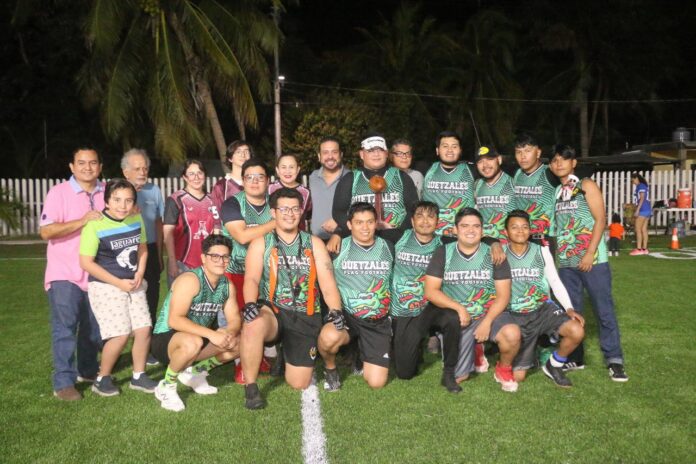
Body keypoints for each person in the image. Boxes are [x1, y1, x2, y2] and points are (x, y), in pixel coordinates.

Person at [239, 188, 349, 409]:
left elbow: (328, 283)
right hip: (274, 310)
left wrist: (336, 311)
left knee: (298, 383)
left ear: (301, 212)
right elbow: (251, 278)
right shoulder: (261, 243)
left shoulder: (314, 243)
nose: (289, 214)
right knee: (253, 324)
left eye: (295, 209)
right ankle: (251, 388)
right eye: (284, 209)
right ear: (273, 212)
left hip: (305, 315)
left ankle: (288, 353)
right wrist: (250, 304)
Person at [549, 144, 628, 382]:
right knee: (572, 312)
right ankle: (576, 357)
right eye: (554, 160)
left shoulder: (586, 185)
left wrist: (589, 252)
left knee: (603, 311)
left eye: (564, 159)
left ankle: (614, 360)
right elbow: (558, 228)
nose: (559, 163)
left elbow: (600, 219)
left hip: (592, 261)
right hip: (567, 263)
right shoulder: (557, 192)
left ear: (574, 163)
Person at [424, 208, 521, 392]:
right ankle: (474, 347)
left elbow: (503, 296)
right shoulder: (443, 252)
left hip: (488, 313)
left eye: (476, 226)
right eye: (465, 226)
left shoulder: (495, 255)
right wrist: (459, 308)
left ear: (483, 231)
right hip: (460, 318)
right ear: (455, 229)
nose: (471, 230)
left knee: (512, 334)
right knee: (460, 376)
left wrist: (487, 321)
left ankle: (503, 367)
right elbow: (431, 291)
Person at [79, 178, 158, 396]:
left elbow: (143, 248)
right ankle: (102, 378)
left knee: (143, 329)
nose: (123, 205)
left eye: (128, 200)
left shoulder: (135, 218)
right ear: (106, 201)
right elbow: (86, 263)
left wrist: (140, 273)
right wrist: (118, 283)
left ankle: (139, 375)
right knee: (120, 334)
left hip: (134, 283)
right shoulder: (95, 225)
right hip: (106, 286)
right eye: (117, 200)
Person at [40, 147, 104, 401]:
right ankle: (64, 382)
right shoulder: (58, 193)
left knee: (94, 328)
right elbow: (46, 231)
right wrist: (82, 220)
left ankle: (87, 370)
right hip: (64, 272)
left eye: (92, 163)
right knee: (65, 328)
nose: (87, 167)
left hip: (96, 272)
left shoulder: (106, 192)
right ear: (71, 167)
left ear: (100, 166)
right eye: (81, 163)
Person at [151, 234, 241, 412]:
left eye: (225, 256)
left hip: (198, 336)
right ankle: (166, 386)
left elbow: (235, 318)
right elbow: (175, 319)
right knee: (194, 342)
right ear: (203, 258)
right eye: (215, 256)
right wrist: (212, 334)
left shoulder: (226, 285)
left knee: (240, 342)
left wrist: (229, 332)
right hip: (167, 338)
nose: (220, 261)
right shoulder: (190, 280)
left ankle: (193, 373)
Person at [503, 210, 585, 387]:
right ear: (506, 232)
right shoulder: (500, 254)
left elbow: (554, 281)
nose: (520, 231)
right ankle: (529, 352)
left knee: (576, 331)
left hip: (542, 309)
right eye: (514, 227)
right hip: (515, 314)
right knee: (518, 377)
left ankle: (554, 365)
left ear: (530, 230)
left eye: (525, 227)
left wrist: (569, 308)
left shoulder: (541, 251)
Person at [390, 201, 461, 392]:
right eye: (420, 216)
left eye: (430, 217)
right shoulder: (398, 237)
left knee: (452, 317)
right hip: (403, 308)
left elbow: (476, 239)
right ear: (412, 221)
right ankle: (417, 345)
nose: (425, 221)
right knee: (405, 373)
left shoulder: (445, 244)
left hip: (430, 306)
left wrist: (494, 243)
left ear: (438, 222)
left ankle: (449, 372)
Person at [221, 158, 276, 381]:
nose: (254, 182)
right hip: (236, 270)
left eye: (260, 177)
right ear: (242, 181)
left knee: (261, 317)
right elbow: (242, 235)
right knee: (238, 318)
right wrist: (276, 222)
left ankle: (258, 355)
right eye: (249, 177)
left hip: (267, 271)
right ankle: (240, 364)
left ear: (268, 181)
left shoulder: (275, 202)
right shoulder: (232, 204)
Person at [332, 202, 394, 389]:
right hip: (348, 316)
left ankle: (362, 354)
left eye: (369, 222)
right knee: (329, 338)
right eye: (359, 222)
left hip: (377, 320)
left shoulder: (389, 247)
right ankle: (332, 364)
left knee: (376, 383)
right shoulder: (336, 248)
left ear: (377, 223)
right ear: (349, 225)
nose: (365, 227)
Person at [328, 134, 418, 249]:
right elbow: (339, 212)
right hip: (360, 243)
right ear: (362, 154)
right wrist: (357, 232)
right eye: (370, 150)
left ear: (386, 153)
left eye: (380, 150)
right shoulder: (351, 179)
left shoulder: (401, 177)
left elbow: (414, 209)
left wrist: (399, 232)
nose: (376, 154)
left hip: (398, 242)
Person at [121, 149, 165, 348]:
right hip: (123, 251)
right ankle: (114, 345)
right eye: (137, 168)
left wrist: (160, 254)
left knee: (151, 297)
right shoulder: (116, 191)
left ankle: (149, 347)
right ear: (125, 172)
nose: (142, 172)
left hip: (150, 249)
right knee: (123, 300)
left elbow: (158, 222)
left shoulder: (153, 190)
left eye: (145, 168)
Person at [163, 160, 220, 286]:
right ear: (184, 177)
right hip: (182, 262)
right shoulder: (176, 199)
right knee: (181, 303)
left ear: (205, 175)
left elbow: (217, 231)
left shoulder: (213, 200)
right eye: (191, 174)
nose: (196, 177)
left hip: (208, 262)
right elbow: (168, 233)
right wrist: (172, 262)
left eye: (200, 173)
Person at [422, 131, 476, 236]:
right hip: (432, 235)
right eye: (445, 146)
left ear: (460, 150)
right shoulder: (426, 169)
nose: (450, 150)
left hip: (463, 235)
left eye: (454, 146)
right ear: (437, 150)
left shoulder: (472, 170)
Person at [512, 133, 559, 250]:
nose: (523, 156)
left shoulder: (549, 172)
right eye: (518, 152)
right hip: (520, 237)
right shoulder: (516, 174)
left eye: (527, 151)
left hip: (544, 237)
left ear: (538, 152)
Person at [308, 136, 349, 241]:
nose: (330, 156)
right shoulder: (313, 177)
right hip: (316, 241)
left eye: (334, 152)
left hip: (344, 239)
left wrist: (340, 221)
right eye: (325, 152)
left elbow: (361, 208)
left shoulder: (352, 177)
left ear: (341, 155)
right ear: (319, 156)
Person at [474, 145, 516, 243]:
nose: (485, 165)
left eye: (489, 159)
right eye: (480, 161)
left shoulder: (513, 183)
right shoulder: (477, 185)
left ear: (499, 160)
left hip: (509, 246)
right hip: (484, 245)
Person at [268, 153, 312, 231]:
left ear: (298, 169)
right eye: (283, 167)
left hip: (298, 235)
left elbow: (305, 215)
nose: (287, 171)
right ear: (277, 170)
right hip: (273, 234)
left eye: (291, 167)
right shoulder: (270, 188)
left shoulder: (305, 192)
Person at [210, 140, 253, 212]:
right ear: (230, 158)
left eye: (246, 151)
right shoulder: (221, 186)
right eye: (238, 152)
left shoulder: (257, 182)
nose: (243, 155)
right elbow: (217, 216)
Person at [630, 172, 651, 255]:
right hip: (647, 209)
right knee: (644, 230)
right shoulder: (643, 185)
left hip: (643, 209)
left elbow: (642, 198)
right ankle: (644, 248)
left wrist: (637, 210)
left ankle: (639, 249)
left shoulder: (640, 186)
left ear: (636, 178)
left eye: (633, 181)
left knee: (638, 229)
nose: (633, 182)